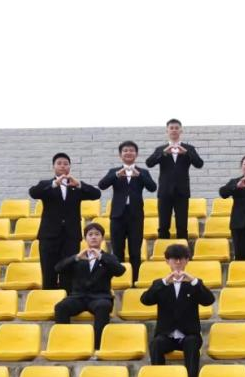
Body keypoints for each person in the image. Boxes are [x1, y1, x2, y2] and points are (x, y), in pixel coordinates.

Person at [140, 244, 216, 377]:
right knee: (155, 344)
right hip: (167, 335)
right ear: (167, 261)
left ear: (187, 261)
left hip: (189, 334)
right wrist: (164, 282)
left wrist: (194, 281)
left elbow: (209, 300)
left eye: (181, 259)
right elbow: (145, 300)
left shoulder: (194, 284)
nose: (178, 262)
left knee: (192, 343)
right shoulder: (160, 284)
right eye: (174, 259)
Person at [29, 153, 102, 290]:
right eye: (59, 163)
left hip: (71, 236)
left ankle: (67, 299)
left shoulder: (75, 186)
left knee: (69, 272)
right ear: (53, 166)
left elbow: (96, 194)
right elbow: (33, 192)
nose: (62, 166)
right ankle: (49, 299)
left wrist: (79, 184)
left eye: (66, 164)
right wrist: (53, 184)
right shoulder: (46, 185)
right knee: (48, 272)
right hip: (49, 236)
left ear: (70, 167)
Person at [53, 223, 126, 348]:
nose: (93, 237)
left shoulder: (108, 257)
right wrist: (76, 258)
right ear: (85, 238)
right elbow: (58, 268)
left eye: (97, 234)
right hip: (78, 297)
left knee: (103, 307)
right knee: (61, 307)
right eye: (90, 234)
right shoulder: (79, 257)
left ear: (102, 238)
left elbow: (120, 271)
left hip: (100, 297)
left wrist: (101, 257)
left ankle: (98, 347)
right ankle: (63, 343)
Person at [98, 140, 157, 281]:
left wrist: (139, 175)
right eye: (125, 150)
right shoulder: (114, 172)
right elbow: (102, 185)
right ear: (120, 155)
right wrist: (116, 174)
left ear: (136, 154)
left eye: (131, 150)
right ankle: (119, 280)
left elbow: (152, 187)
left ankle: (134, 280)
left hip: (135, 216)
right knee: (117, 250)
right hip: (117, 216)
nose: (128, 153)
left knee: (135, 251)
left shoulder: (143, 172)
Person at [146, 118, 204, 240]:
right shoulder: (160, 149)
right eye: (171, 128)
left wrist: (186, 153)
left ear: (181, 130)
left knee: (182, 226)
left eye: (176, 128)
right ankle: (163, 250)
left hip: (182, 191)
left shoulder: (189, 148)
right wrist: (163, 153)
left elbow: (199, 164)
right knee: (163, 225)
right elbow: (149, 163)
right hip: (164, 192)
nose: (174, 130)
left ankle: (183, 250)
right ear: (167, 131)